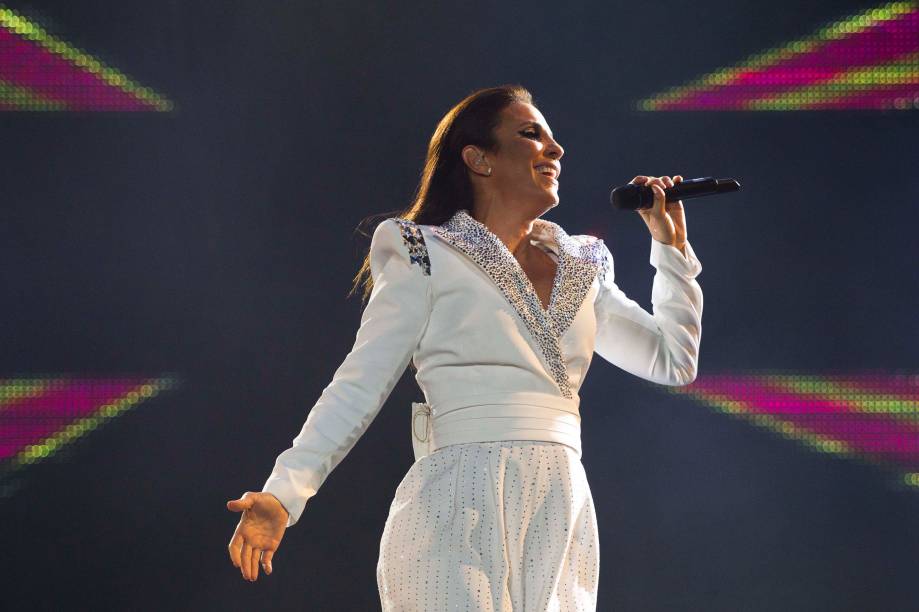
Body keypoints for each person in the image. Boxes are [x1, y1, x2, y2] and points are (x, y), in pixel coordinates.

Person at [227, 84, 703, 610]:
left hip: (559, 503)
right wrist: (283, 494)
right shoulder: (422, 249)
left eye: (554, 138)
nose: (556, 149)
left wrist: (671, 246)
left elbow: (672, 360)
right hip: (455, 498)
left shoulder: (583, 263)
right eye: (530, 134)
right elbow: (360, 382)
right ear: (479, 159)